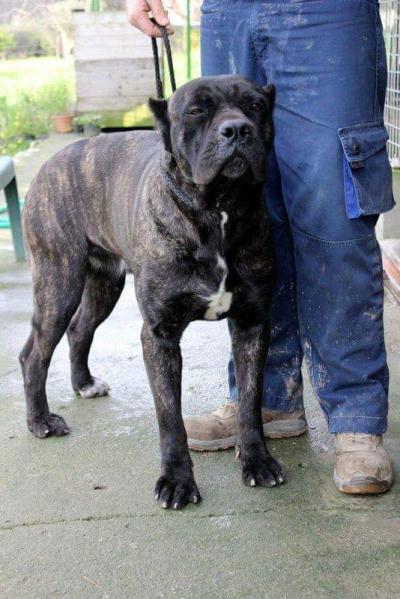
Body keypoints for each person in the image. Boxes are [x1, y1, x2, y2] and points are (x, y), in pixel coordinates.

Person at [126, 0, 394, 494]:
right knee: (238, 186)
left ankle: (356, 419)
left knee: (334, 206)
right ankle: (268, 400)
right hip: (229, 9)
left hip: (327, 10)